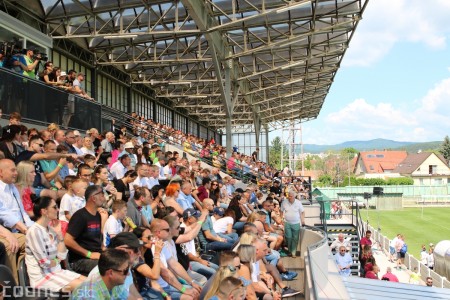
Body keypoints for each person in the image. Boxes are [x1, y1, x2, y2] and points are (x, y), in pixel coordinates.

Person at [25, 197, 85, 292]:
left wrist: (60, 235)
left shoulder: (51, 229)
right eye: (54, 207)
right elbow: (44, 263)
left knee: (91, 282)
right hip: (43, 278)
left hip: (56, 272)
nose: (57, 210)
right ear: (44, 211)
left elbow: (62, 255)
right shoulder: (34, 231)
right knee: (85, 287)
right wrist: (57, 260)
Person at [64, 185, 108, 276]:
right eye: (101, 194)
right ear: (93, 198)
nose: (104, 197)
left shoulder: (97, 215)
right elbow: (67, 240)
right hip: (80, 260)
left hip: (96, 255)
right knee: (109, 267)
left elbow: (97, 241)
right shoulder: (80, 216)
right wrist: (89, 254)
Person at [280, 191, 305, 258]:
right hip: (287, 222)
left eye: (291, 196)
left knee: (295, 238)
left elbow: (302, 212)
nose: (289, 197)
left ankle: (293, 252)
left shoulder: (298, 202)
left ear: (294, 196)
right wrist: (281, 218)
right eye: (288, 196)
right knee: (288, 237)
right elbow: (281, 211)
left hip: (296, 223)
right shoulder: (284, 202)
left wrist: (302, 220)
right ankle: (290, 251)